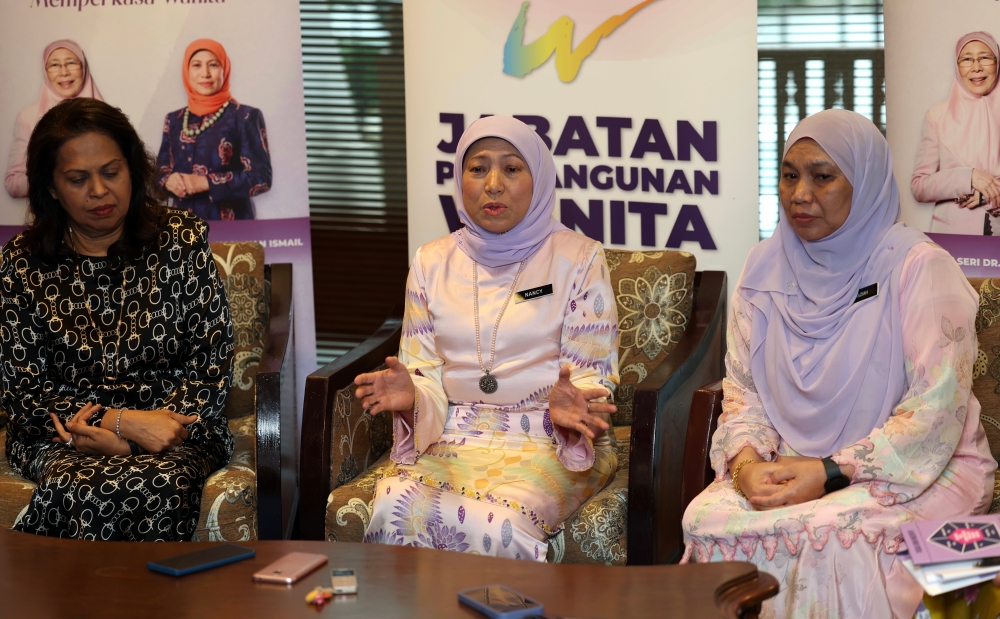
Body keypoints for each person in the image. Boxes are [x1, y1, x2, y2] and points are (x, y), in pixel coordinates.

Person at [682, 109, 996, 618]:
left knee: (833, 533)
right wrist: (744, 469)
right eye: (789, 175)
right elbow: (743, 396)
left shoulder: (918, 269)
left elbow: (933, 414)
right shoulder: (762, 268)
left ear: (865, 182)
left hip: (918, 467)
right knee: (706, 520)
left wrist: (828, 472)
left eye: (822, 176)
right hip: (787, 460)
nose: (800, 193)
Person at [354, 116, 619, 560]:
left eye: (512, 169)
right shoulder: (430, 261)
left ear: (539, 179)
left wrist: (573, 407)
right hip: (455, 436)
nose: (493, 184)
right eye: (478, 169)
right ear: (460, 179)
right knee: (394, 506)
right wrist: (413, 395)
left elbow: (591, 373)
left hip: (547, 438)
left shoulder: (579, 258)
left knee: (502, 523)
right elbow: (423, 369)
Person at [1, 98, 235, 541]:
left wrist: (135, 440)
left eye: (111, 172)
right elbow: (23, 392)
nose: (99, 191)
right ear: (50, 187)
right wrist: (117, 423)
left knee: (163, 481)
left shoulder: (180, 242)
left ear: (133, 169)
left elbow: (211, 363)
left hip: (177, 431)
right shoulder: (23, 264)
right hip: (60, 437)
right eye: (77, 179)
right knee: (77, 483)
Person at [156, 39, 271, 221]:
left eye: (213, 65)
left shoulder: (245, 116)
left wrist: (207, 183)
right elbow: (160, 172)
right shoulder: (174, 120)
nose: (205, 74)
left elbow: (261, 178)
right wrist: (168, 181)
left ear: (224, 69)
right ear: (186, 71)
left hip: (232, 230)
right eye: (196, 65)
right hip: (183, 229)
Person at [911, 32, 1000, 235]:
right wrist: (967, 178)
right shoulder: (938, 115)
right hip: (955, 237)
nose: (976, 67)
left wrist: (992, 194)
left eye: (985, 57)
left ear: (997, 62)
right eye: (967, 59)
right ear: (957, 66)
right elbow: (919, 186)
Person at [5, 40, 103, 199]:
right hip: (51, 218)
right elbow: (13, 183)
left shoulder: (105, 116)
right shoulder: (29, 117)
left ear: (83, 67)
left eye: (71, 63)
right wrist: (56, 180)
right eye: (55, 65)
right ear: (45, 71)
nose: (64, 72)